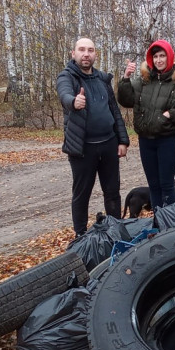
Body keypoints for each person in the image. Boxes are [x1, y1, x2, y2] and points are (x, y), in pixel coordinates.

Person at [56, 37, 130, 236]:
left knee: (113, 192)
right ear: (74, 53)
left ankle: (116, 232)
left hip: (108, 145)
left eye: (90, 50)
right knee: (81, 195)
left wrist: (122, 140)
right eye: (81, 50)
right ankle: (80, 236)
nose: (86, 54)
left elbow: (114, 111)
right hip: (82, 148)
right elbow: (64, 95)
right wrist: (74, 101)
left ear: (95, 54)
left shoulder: (102, 79)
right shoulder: (67, 77)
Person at [117, 39, 175, 211]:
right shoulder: (144, 80)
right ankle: (158, 224)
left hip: (167, 140)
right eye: (155, 56)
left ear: (169, 57)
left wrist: (171, 114)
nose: (159, 60)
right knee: (154, 185)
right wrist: (126, 78)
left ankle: (170, 224)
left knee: (167, 185)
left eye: (162, 56)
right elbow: (126, 100)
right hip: (146, 141)